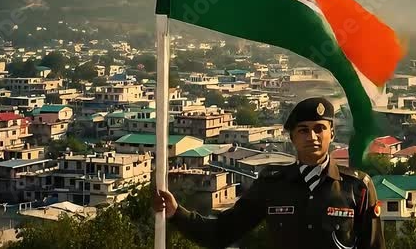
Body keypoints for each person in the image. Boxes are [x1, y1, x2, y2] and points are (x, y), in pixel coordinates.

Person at [153, 96, 385, 249]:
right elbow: (222, 232)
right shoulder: (273, 185)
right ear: (292, 137)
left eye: (319, 129)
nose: (312, 137)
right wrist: (177, 213)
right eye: (303, 130)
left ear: (332, 134)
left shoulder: (357, 188)